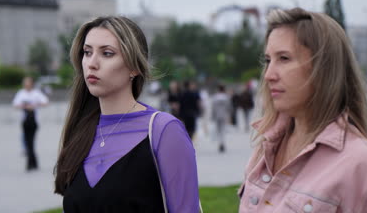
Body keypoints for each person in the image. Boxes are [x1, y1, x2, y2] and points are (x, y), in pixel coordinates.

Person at [238, 8, 367, 212]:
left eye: (284, 58)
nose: (268, 75)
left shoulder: (366, 169)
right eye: (268, 60)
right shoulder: (266, 149)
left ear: (324, 69)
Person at [53, 16, 200, 212]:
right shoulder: (79, 132)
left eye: (107, 53)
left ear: (134, 67)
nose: (91, 63)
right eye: (87, 52)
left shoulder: (164, 131)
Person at [12, 76, 49, 171]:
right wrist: (24, 106)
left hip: (34, 121)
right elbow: (15, 104)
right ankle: (33, 163)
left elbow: (45, 102)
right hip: (25, 121)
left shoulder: (36, 93)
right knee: (28, 142)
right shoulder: (21, 93)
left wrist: (35, 105)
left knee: (30, 142)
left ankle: (30, 163)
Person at [211, 84, 231, 153]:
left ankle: (219, 143)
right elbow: (229, 107)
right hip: (224, 115)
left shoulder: (215, 97)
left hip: (217, 115)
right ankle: (222, 142)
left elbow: (213, 108)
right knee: (223, 130)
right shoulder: (226, 97)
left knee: (218, 130)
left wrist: (212, 116)